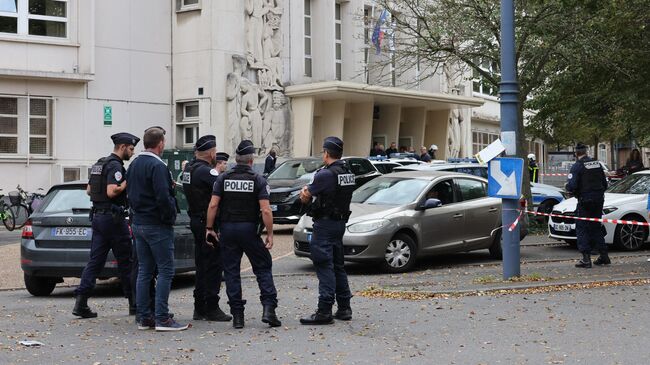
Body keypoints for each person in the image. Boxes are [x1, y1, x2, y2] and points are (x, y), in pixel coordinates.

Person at [205, 140, 281, 329]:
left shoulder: (223, 178)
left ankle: (238, 316)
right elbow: (265, 211)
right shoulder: (258, 179)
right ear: (251, 161)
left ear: (236, 159)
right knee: (262, 267)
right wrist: (270, 233)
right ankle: (269, 309)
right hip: (249, 230)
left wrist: (209, 228)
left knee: (231, 272)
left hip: (228, 230)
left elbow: (213, 205)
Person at [127, 126, 189, 331]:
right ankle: (162, 318)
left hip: (138, 222)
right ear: (160, 143)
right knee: (165, 271)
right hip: (157, 224)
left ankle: (144, 317)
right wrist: (169, 217)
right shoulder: (158, 166)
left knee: (144, 270)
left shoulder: (134, 164)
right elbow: (163, 197)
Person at [72, 133, 139, 319]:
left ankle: (81, 302)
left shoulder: (99, 164)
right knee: (126, 261)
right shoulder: (116, 165)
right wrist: (128, 180)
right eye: (131, 149)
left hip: (98, 218)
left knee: (95, 261)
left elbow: (88, 190)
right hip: (113, 220)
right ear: (123, 147)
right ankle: (134, 303)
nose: (132, 153)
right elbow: (112, 191)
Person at [298, 136, 355, 325]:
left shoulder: (325, 174)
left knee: (324, 265)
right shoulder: (347, 172)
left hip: (325, 224)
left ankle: (324, 311)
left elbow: (306, 195)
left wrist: (305, 193)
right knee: (338, 265)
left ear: (326, 153)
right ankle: (344, 307)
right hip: (339, 224)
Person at [181, 135, 232, 322]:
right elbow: (223, 191)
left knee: (202, 264)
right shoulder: (207, 172)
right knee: (212, 265)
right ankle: (211, 306)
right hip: (207, 223)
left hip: (196, 219)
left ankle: (199, 307)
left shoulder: (189, 169)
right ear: (211, 153)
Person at [565, 142, 609, 268]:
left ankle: (586, 259)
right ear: (586, 152)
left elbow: (572, 186)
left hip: (585, 201)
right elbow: (604, 184)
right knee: (596, 226)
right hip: (599, 199)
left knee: (582, 227)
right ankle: (604, 256)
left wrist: (568, 188)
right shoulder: (597, 164)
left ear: (576, 153)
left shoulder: (577, 166)